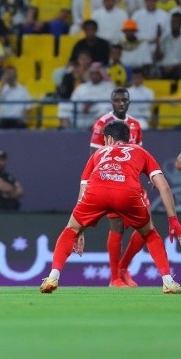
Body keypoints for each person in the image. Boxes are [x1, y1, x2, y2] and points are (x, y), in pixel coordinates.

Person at [40, 121, 181, 294]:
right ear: (128, 138)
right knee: (149, 233)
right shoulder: (140, 151)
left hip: (97, 191)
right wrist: (173, 221)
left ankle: (53, 276)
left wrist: (80, 230)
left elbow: (83, 191)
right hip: (127, 193)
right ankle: (168, 280)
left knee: (70, 230)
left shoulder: (99, 153)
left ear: (108, 139)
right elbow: (164, 187)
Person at [89, 87, 146, 287]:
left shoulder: (136, 125)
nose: (121, 103)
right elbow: (93, 156)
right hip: (110, 180)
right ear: (111, 102)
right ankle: (114, 278)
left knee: (144, 227)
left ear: (129, 102)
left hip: (131, 181)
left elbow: (138, 155)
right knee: (117, 227)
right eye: (117, 100)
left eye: (124, 100)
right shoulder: (101, 124)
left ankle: (123, 267)